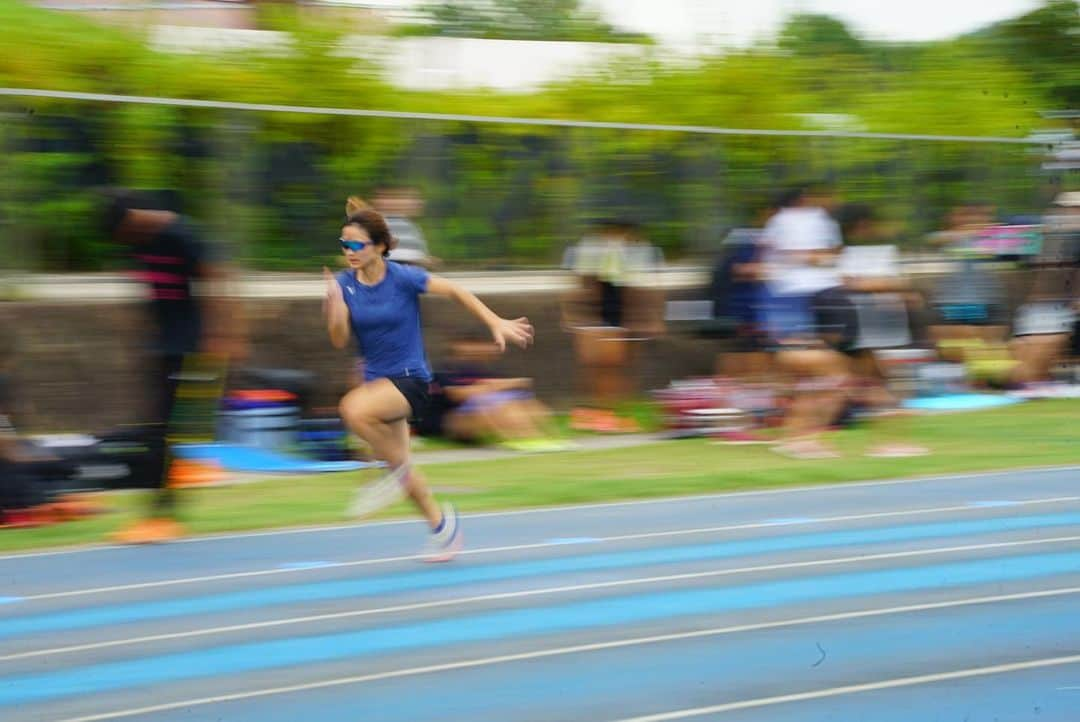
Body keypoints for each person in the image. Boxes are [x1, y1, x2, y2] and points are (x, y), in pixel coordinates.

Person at [324, 207, 533, 562]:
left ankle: (386, 474)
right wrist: (336, 311)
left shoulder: (402, 278)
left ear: (378, 247)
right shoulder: (343, 285)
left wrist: (495, 321)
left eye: (357, 244)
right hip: (380, 387)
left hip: (412, 381)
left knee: (351, 408)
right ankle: (444, 529)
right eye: (345, 244)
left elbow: (455, 291)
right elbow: (339, 339)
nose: (350, 251)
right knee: (402, 470)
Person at [101, 189, 244, 544]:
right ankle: (160, 509)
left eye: (125, 236)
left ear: (132, 219)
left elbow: (220, 280)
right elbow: (151, 294)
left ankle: (162, 515)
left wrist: (223, 336)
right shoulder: (138, 241)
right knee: (159, 431)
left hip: (189, 347)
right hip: (162, 348)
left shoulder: (181, 235)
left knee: (164, 433)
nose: (127, 244)